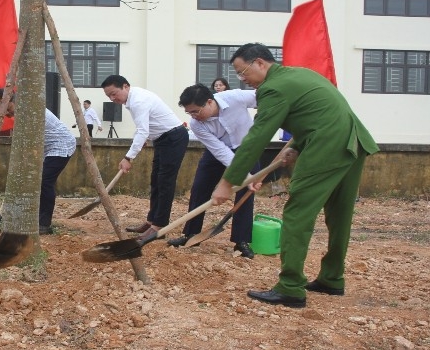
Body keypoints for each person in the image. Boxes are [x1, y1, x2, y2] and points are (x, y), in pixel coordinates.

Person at [213, 43, 378, 308]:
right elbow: (318, 113)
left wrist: (226, 182)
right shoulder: (301, 74)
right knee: (339, 216)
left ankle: (290, 287)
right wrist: (296, 145)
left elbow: (257, 136)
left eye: (242, 72)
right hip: (352, 143)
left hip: (327, 148)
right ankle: (332, 279)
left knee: (297, 213)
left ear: (260, 63)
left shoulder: (273, 88)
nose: (242, 80)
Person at [166, 83, 259, 259]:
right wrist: (242, 174)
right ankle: (191, 234)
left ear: (209, 102)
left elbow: (263, 97)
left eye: (196, 111)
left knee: (246, 192)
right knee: (200, 187)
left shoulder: (235, 98)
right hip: (218, 150)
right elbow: (220, 151)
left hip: (247, 148)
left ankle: (241, 241)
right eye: (189, 113)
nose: (193, 116)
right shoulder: (196, 124)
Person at [100, 75, 188, 236]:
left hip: (173, 138)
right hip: (162, 139)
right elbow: (145, 127)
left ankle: (159, 227)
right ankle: (151, 221)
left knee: (165, 182)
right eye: (109, 96)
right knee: (156, 181)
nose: (112, 98)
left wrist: (128, 158)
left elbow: (143, 130)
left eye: (114, 94)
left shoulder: (138, 101)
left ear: (125, 86)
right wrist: (145, 138)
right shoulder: (133, 99)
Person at [0, 88, 76, 234]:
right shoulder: (23, 110)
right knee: (38, 181)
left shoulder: (29, 110)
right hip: (47, 148)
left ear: (14, 100)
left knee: (44, 181)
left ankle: (44, 224)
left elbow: (28, 140)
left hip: (61, 145)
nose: (7, 113)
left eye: (8, 108)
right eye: (3, 110)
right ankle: (34, 217)